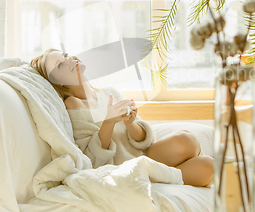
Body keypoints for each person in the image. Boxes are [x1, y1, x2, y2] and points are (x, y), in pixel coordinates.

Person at [30, 48, 214, 188]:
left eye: (65, 55)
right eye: (61, 64)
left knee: (188, 140)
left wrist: (130, 122)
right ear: (58, 81)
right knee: (208, 167)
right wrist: (108, 122)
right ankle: (154, 180)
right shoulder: (73, 104)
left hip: (144, 155)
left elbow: (145, 139)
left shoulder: (109, 92)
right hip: (123, 167)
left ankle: (163, 175)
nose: (69, 59)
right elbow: (92, 157)